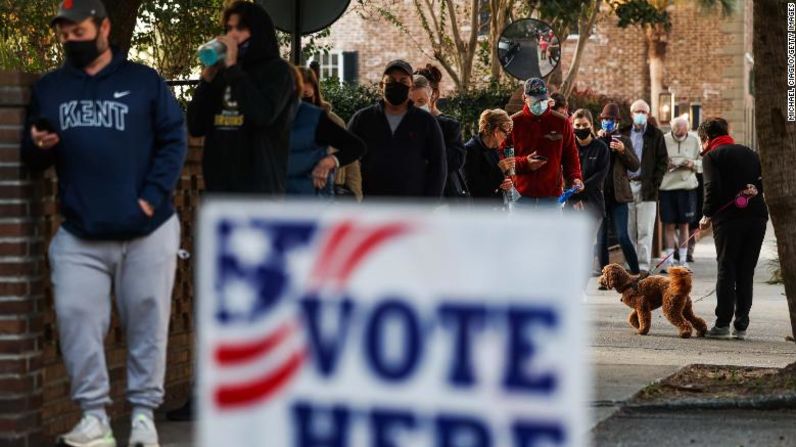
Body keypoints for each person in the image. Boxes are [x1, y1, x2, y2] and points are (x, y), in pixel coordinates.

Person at [21, 1, 187, 445]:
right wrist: (38, 144)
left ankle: (142, 418)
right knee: (75, 317)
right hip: (81, 230)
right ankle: (94, 417)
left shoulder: (143, 81)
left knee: (147, 321)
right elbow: (33, 155)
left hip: (147, 230)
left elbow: (174, 140)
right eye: (65, 31)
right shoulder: (52, 88)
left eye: (80, 29)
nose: (71, 37)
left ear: (104, 27)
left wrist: (152, 200)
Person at [187, 1, 296, 195]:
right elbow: (196, 126)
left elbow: (262, 114)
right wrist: (207, 81)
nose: (232, 35)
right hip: (219, 188)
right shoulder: (222, 73)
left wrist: (233, 70)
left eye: (241, 28)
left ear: (258, 32)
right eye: (229, 28)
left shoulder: (277, 71)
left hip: (258, 191)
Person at [698, 118, 768, 340]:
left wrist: (706, 215)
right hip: (756, 217)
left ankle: (722, 323)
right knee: (746, 270)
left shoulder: (711, 156)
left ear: (706, 138)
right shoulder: (749, 152)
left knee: (727, 269)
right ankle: (741, 323)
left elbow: (712, 188)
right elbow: (761, 183)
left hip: (728, 220)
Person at [348, 60, 446, 198]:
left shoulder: (426, 122)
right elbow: (347, 161)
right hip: (370, 208)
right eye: (391, 80)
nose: (397, 84)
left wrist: (428, 206)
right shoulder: (362, 120)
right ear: (381, 85)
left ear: (411, 85)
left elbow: (438, 166)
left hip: (412, 209)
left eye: (403, 80)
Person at [288, 66, 365, 198]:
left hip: (327, 191)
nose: (301, 102)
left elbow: (353, 166)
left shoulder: (329, 121)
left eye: (306, 95)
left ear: (315, 92)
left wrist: (356, 196)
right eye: (298, 96)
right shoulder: (283, 118)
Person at [506, 77, 583, 207]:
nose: (541, 103)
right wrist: (525, 163)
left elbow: (570, 155)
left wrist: (575, 177)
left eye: (543, 99)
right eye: (536, 100)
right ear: (525, 98)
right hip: (521, 198)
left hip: (552, 197)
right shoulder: (513, 123)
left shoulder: (561, 122)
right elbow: (505, 159)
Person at [620, 99, 668, 271]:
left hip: (647, 188)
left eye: (644, 112)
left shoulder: (656, 134)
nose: (640, 115)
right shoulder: (623, 132)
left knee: (645, 230)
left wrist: (655, 182)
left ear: (648, 115)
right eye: (637, 111)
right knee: (629, 230)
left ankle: (642, 267)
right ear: (632, 114)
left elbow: (663, 161)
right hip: (626, 187)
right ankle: (629, 265)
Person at [596, 103, 641, 276]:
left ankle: (636, 272)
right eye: (605, 119)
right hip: (600, 196)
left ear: (617, 122)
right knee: (601, 239)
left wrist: (623, 151)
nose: (608, 122)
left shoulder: (624, 140)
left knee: (623, 235)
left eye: (611, 120)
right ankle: (605, 276)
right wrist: (598, 141)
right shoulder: (596, 140)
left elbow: (635, 165)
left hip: (619, 196)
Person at [413, 65, 469, 201]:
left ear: (432, 93)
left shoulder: (448, 125)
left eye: (421, 100)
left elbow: (456, 160)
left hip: (445, 197)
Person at [658, 116, 701, 270]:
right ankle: (669, 260)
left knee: (684, 225)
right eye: (676, 131)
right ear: (672, 128)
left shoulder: (695, 141)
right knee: (668, 224)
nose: (680, 133)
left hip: (687, 188)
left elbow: (702, 163)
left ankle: (683, 260)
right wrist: (666, 164)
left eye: (683, 131)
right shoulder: (663, 140)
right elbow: (657, 162)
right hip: (667, 188)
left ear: (688, 129)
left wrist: (692, 164)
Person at [569, 109, 610, 233]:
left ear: (591, 125)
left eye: (585, 125)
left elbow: (600, 175)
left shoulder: (601, 148)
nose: (581, 128)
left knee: (588, 245)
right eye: (578, 125)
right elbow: (563, 172)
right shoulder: (568, 147)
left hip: (593, 203)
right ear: (572, 126)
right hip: (570, 203)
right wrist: (575, 198)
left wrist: (583, 188)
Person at [464, 109, 515, 203]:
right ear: (496, 130)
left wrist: (504, 184)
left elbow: (493, 182)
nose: (506, 137)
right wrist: (499, 170)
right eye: (506, 133)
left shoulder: (493, 148)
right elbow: (473, 190)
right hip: (482, 213)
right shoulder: (470, 150)